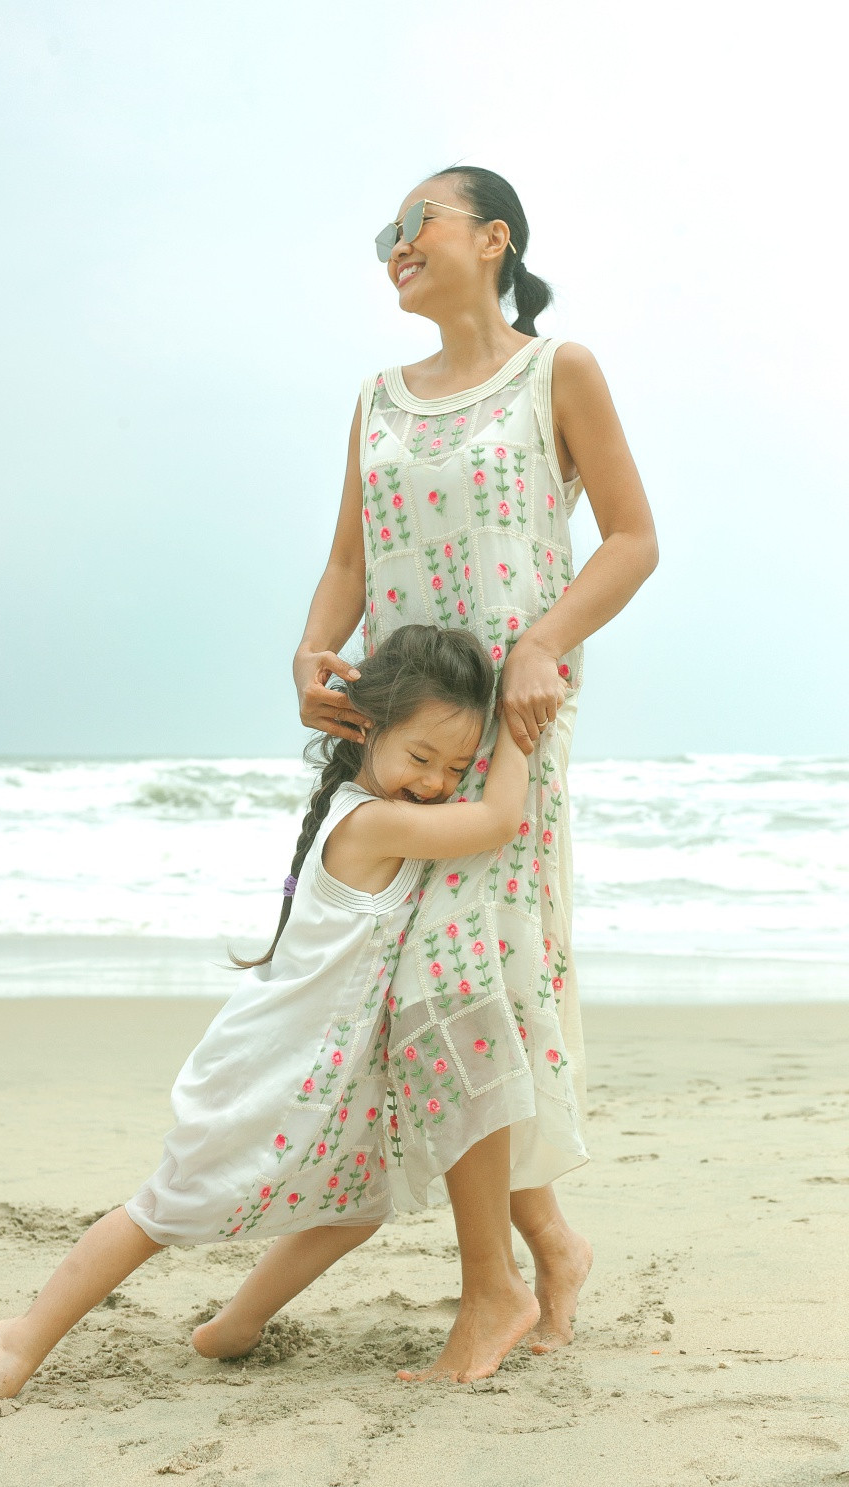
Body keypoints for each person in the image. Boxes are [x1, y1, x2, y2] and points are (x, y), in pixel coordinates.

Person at [0, 623, 532, 1403]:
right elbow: (497, 821)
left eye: (457, 768)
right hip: (274, 1061)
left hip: (323, 1072)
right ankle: (20, 1338)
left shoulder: (379, 808)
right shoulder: (370, 822)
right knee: (167, 1208)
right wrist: (523, 728)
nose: (435, 783)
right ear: (365, 727)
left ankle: (235, 1325)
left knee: (355, 1209)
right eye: (421, 758)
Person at [292, 164, 659, 1380]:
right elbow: (349, 563)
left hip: (510, 732)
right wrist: (309, 651)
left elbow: (631, 539)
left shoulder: (558, 372)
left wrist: (543, 644)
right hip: (401, 737)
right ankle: (545, 1248)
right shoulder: (375, 398)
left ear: (492, 238)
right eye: (384, 234)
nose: (395, 246)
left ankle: (493, 1289)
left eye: (415, 225)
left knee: (453, 986)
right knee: (433, 993)